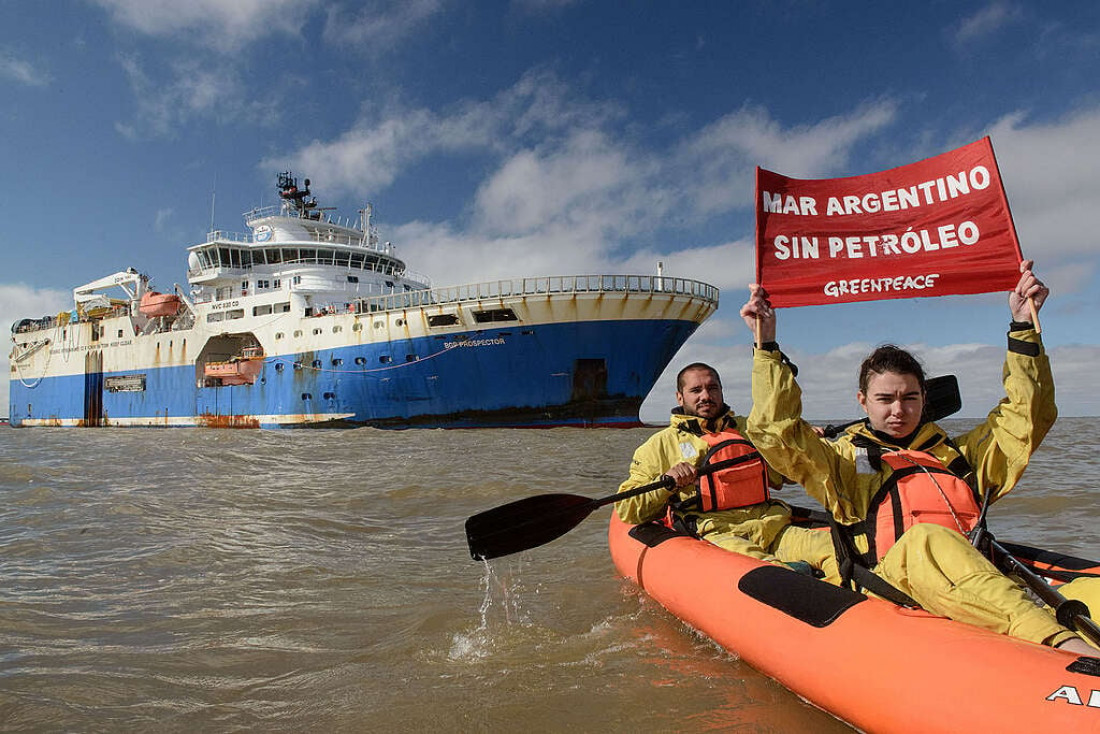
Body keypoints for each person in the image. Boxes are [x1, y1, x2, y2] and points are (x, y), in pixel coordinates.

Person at [740, 259, 1095, 655]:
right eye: (885, 399)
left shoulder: (960, 456)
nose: (898, 410)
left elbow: (1029, 415)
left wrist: (1024, 327)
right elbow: (776, 430)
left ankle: (1033, 620)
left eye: (910, 397)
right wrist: (766, 346)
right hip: (894, 584)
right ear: (863, 401)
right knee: (926, 540)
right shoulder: (839, 463)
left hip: (973, 580)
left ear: (924, 399)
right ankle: (1064, 645)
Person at [615, 362, 838, 581]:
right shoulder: (659, 446)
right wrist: (666, 483)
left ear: (721, 391)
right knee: (777, 577)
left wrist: (807, 448)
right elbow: (628, 510)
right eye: (695, 390)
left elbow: (786, 475)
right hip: (718, 532)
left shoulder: (752, 430)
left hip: (772, 525)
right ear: (680, 397)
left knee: (837, 553)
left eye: (712, 388)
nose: (705, 396)